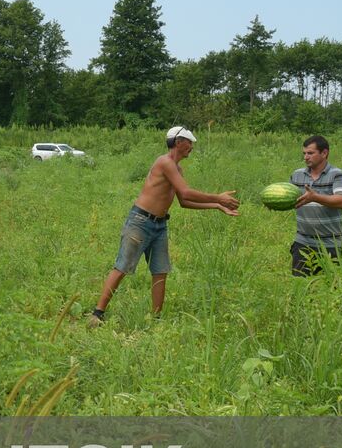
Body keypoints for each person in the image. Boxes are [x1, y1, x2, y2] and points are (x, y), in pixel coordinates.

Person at [89, 126, 238, 326]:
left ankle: (156, 319)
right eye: (189, 142)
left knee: (160, 271)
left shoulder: (177, 168)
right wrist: (218, 197)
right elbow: (186, 192)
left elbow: (183, 202)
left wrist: (218, 205)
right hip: (140, 222)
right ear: (178, 143)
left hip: (159, 225)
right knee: (123, 267)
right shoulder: (165, 162)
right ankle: (97, 314)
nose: (191, 147)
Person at [289, 134, 342, 276]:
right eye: (304, 153)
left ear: (324, 153)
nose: (306, 157)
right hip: (302, 244)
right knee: (301, 291)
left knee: (334, 293)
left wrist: (315, 197)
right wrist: (274, 203)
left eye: (310, 153)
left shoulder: (337, 175)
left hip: (332, 245)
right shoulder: (297, 175)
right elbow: (289, 199)